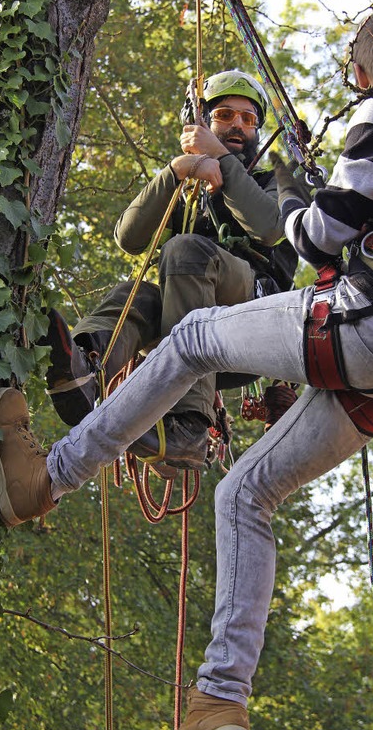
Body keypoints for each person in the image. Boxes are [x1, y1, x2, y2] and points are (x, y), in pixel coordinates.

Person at [0, 13, 373, 730]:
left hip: (370, 323)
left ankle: (49, 478)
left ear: (364, 72)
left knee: (197, 332)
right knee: (247, 495)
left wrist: (295, 193)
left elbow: (316, 238)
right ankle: (217, 701)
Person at [45, 69, 299, 472]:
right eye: (225, 115)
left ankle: (190, 427)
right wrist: (177, 172)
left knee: (185, 251)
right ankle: (88, 367)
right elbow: (129, 238)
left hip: (257, 317)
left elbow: (269, 228)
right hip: (200, 338)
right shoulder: (190, 191)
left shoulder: (280, 181)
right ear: (202, 122)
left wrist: (223, 161)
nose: (237, 125)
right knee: (135, 294)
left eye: (247, 119)